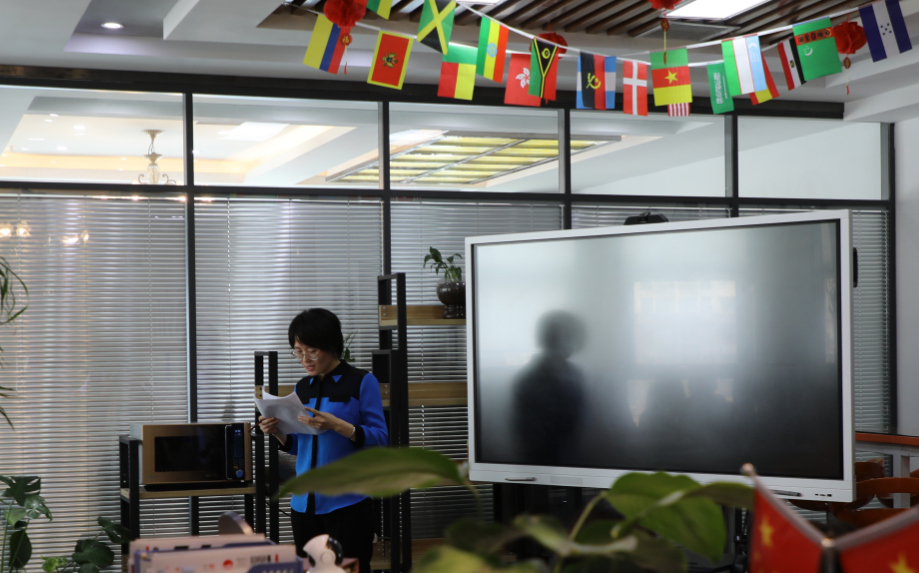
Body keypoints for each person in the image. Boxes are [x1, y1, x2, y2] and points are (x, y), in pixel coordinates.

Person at [258, 308, 388, 573]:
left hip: (348, 505)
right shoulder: (302, 388)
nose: (305, 359)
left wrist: (337, 425)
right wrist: (278, 432)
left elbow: (381, 439)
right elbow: (301, 445)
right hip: (303, 506)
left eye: (312, 351)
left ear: (332, 345)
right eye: (298, 351)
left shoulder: (362, 382)